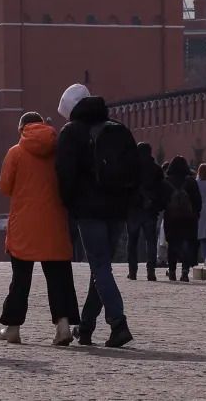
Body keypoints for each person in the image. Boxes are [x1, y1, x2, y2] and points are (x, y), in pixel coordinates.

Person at [55, 83, 136, 348]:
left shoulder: (71, 132)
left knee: (100, 267)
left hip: (89, 212)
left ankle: (118, 323)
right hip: (117, 212)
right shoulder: (118, 129)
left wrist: (70, 205)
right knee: (100, 268)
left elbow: (65, 176)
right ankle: (87, 326)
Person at [0, 111, 79, 346]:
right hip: (54, 223)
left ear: (22, 128)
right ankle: (63, 327)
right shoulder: (58, 152)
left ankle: (13, 328)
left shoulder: (16, 152)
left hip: (23, 226)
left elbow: (4, 186)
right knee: (59, 279)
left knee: (20, 280)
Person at [124, 142, 165, 280]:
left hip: (133, 210)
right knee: (151, 241)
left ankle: (133, 271)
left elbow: (125, 189)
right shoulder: (156, 170)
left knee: (132, 241)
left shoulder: (130, 169)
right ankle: (151, 271)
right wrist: (156, 205)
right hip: (150, 210)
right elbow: (161, 191)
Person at [161, 156, 201, 281]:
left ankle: (172, 271)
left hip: (171, 218)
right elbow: (198, 201)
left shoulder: (167, 181)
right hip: (189, 219)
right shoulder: (191, 182)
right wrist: (196, 213)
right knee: (188, 244)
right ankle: (185, 271)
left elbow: (162, 201)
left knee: (172, 244)